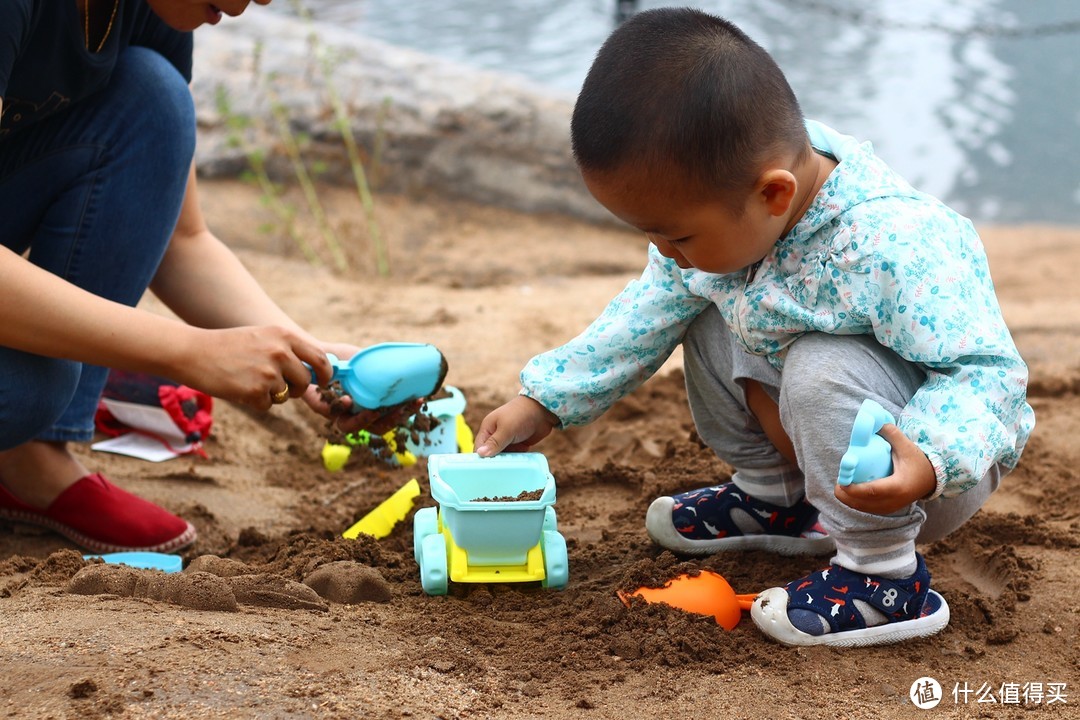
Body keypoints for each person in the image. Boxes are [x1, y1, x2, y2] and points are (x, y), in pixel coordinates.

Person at [473, 8, 1034, 647]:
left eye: (677, 233)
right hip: (820, 440)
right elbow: (645, 311)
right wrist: (544, 399)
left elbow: (989, 375)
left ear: (773, 193)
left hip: (916, 474)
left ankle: (885, 575)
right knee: (699, 304)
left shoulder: (896, 245)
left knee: (823, 362)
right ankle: (778, 498)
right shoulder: (739, 198)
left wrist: (931, 459)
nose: (666, 249)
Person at [0, 0, 401, 554]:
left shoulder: (143, 10)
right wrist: (189, 352)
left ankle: (29, 458)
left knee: (152, 97)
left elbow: (183, 243)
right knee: (24, 389)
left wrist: (308, 357)